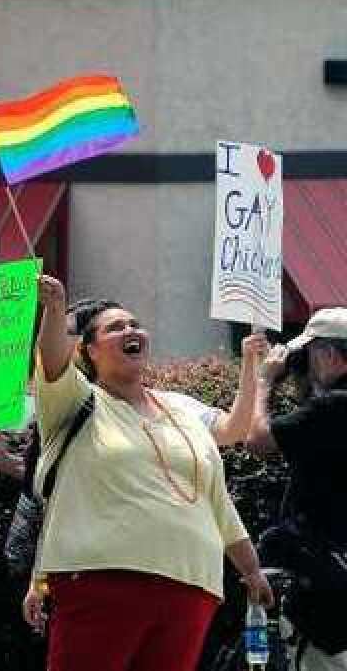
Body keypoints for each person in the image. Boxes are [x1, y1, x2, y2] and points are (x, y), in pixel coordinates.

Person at [30, 275, 272, 671]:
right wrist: (55, 309)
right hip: (102, 584)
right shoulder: (76, 401)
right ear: (88, 351)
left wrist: (251, 570)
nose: (131, 330)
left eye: (134, 324)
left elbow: (217, 503)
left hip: (190, 588)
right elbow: (53, 361)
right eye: (115, 328)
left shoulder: (181, 412)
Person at [245, 308, 347, 668]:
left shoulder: (335, 405)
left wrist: (265, 382)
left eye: (306, 358)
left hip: (328, 589)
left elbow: (259, 440)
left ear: (329, 355)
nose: (301, 370)